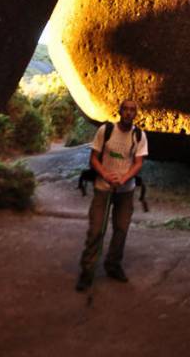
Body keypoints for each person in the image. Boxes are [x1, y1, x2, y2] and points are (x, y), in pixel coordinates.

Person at [76, 99, 148, 291]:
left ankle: (113, 265)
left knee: (121, 229)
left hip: (125, 191)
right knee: (96, 230)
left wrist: (124, 178)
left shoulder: (139, 135)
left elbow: (138, 163)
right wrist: (106, 174)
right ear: (120, 111)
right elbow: (93, 158)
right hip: (103, 188)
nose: (129, 113)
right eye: (126, 109)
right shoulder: (105, 131)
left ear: (136, 114)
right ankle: (87, 270)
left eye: (133, 110)